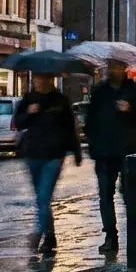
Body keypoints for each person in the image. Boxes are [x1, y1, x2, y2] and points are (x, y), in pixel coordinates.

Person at [14, 73, 83, 254]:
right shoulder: (29, 99)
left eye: (39, 79)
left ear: (48, 80)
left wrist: (77, 152)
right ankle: (49, 235)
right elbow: (18, 123)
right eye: (35, 80)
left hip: (54, 155)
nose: (36, 82)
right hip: (33, 154)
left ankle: (42, 234)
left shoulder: (60, 101)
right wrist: (29, 113)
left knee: (44, 197)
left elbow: (70, 128)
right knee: (41, 199)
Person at [84, 58, 136, 258]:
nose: (113, 70)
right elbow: (90, 119)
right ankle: (110, 237)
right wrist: (93, 141)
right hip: (104, 152)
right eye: (110, 67)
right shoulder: (100, 92)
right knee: (105, 196)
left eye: (117, 67)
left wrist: (131, 109)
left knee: (129, 196)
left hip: (126, 151)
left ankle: (135, 237)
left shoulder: (133, 90)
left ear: (124, 69)